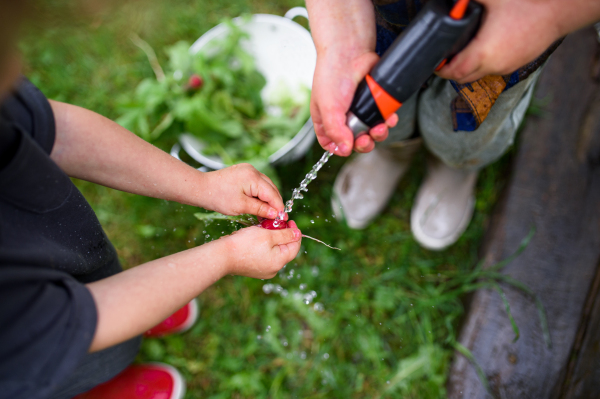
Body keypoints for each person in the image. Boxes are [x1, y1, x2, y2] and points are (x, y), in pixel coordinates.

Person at [0, 3, 302, 399]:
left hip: (56, 275)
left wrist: (203, 186)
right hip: (25, 356)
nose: (21, 64)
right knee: (76, 363)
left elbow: (62, 133)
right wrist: (225, 256)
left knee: (105, 286)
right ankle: (98, 387)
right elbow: (75, 322)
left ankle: (136, 299)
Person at [305, 0, 600, 250]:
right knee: (377, 112)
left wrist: (550, 16)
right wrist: (340, 29)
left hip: (507, 24)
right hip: (377, 12)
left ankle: (455, 165)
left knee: (471, 124)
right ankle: (392, 152)